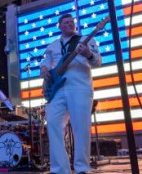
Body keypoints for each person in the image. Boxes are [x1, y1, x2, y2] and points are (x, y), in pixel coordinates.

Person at [40, 14, 102, 174]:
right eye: (66, 22)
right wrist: (44, 69)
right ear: (59, 26)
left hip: (80, 87)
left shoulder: (87, 40)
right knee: (53, 125)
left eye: (72, 22)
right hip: (57, 90)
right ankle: (60, 169)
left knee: (81, 128)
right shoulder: (52, 46)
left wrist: (88, 54)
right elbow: (46, 63)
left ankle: (82, 168)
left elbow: (97, 61)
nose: (70, 24)